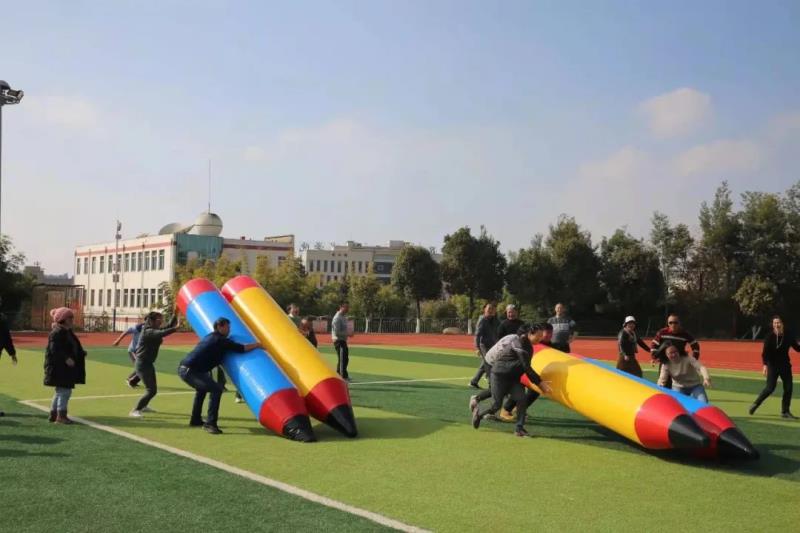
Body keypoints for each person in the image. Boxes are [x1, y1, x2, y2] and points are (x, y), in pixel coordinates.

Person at [178, 317, 260, 434]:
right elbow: (241, 348)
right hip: (190, 371)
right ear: (219, 327)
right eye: (227, 327)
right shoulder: (220, 340)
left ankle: (195, 419)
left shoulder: (212, 337)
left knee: (201, 390)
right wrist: (257, 345)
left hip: (190, 370)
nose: (229, 330)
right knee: (216, 389)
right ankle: (210, 424)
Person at [471, 324, 552, 437]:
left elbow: (526, 367)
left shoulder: (529, 345)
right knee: (496, 405)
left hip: (514, 379)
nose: (540, 339)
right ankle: (478, 415)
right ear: (530, 334)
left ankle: (519, 429)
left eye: (541, 336)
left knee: (522, 399)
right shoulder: (519, 344)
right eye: (538, 336)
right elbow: (526, 367)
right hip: (499, 376)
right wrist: (540, 383)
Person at [498, 323, 554, 422]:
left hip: (535, 371)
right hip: (522, 369)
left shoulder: (550, 345)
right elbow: (525, 362)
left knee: (534, 392)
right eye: (546, 333)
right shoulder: (527, 342)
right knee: (519, 389)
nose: (548, 335)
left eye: (551, 333)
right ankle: (505, 410)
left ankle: (518, 409)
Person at [129, 310, 180, 418]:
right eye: (158, 319)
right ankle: (135, 410)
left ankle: (143, 406)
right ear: (151, 321)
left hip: (148, 364)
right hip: (142, 364)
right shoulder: (148, 331)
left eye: (161, 319)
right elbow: (162, 333)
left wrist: (175, 314)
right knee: (151, 390)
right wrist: (175, 328)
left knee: (153, 390)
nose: (161, 321)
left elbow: (168, 327)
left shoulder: (154, 329)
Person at [749, 316, 799, 419]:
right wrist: (765, 365)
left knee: (788, 388)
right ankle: (755, 404)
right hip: (773, 366)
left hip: (785, 365)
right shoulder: (769, 337)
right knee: (770, 388)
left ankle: (785, 411)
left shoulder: (788, 335)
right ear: (773, 325)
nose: (777, 325)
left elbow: (797, 348)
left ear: (782, 324)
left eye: (778, 322)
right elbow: (765, 353)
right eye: (775, 323)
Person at [43, 307, 87, 424]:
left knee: (61, 391)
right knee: (65, 391)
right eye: (70, 317)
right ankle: (61, 416)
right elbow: (54, 349)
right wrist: (66, 358)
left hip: (64, 367)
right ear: (63, 319)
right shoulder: (57, 332)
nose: (72, 319)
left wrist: (81, 353)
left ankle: (54, 414)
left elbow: (72, 346)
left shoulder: (66, 331)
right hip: (59, 367)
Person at [650, 314, 700, 389]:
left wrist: (694, 359)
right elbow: (654, 344)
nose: (673, 325)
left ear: (679, 323)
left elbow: (695, 345)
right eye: (670, 322)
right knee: (663, 384)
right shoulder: (662, 332)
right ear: (668, 323)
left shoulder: (685, 334)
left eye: (675, 322)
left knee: (679, 385)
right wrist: (654, 356)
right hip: (666, 362)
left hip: (679, 364)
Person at [469, 302, 499, 389]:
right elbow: (477, 335)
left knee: (485, 364)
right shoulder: (482, 320)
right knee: (489, 363)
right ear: (484, 310)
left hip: (493, 345)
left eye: (493, 309)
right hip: (484, 345)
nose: (491, 310)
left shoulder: (496, 320)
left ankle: (474, 381)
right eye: (489, 308)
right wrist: (477, 348)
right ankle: (491, 383)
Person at [112, 322, 143, 388]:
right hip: (133, 351)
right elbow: (127, 331)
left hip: (141, 351)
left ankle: (132, 380)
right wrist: (118, 340)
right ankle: (130, 380)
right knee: (140, 366)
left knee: (142, 367)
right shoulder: (139, 327)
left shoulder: (151, 328)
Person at [0, 312, 18, 417]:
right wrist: (12, 353)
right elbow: (6, 338)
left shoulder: (2, 319)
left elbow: (6, 338)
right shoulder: (2, 319)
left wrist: (12, 353)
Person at [332, 302, 352, 380]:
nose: (347, 309)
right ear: (341, 307)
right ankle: (341, 376)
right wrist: (348, 334)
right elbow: (337, 333)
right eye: (346, 307)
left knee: (345, 358)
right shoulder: (337, 318)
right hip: (338, 341)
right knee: (342, 359)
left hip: (343, 340)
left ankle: (343, 375)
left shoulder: (343, 317)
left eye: (348, 307)